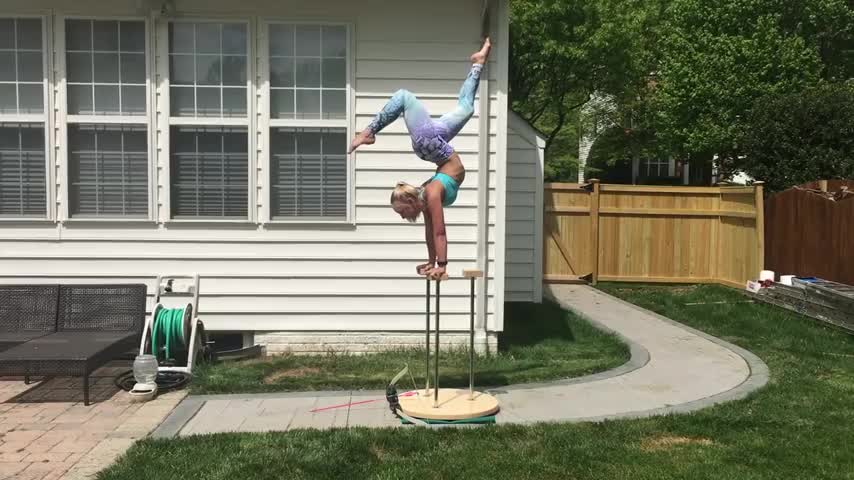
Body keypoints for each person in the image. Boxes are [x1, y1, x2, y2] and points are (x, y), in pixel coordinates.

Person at [349, 38, 491, 280]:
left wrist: (443, 265)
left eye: (401, 211)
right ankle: (477, 64)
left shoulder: (432, 193)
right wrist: (431, 261)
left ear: (410, 201)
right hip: (435, 144)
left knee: (404, 97)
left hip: (430, 145)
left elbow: (440, 232)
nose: (402, 216)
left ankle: (368, 132)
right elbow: (430, 232)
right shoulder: (425, 198)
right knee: (466, 108)